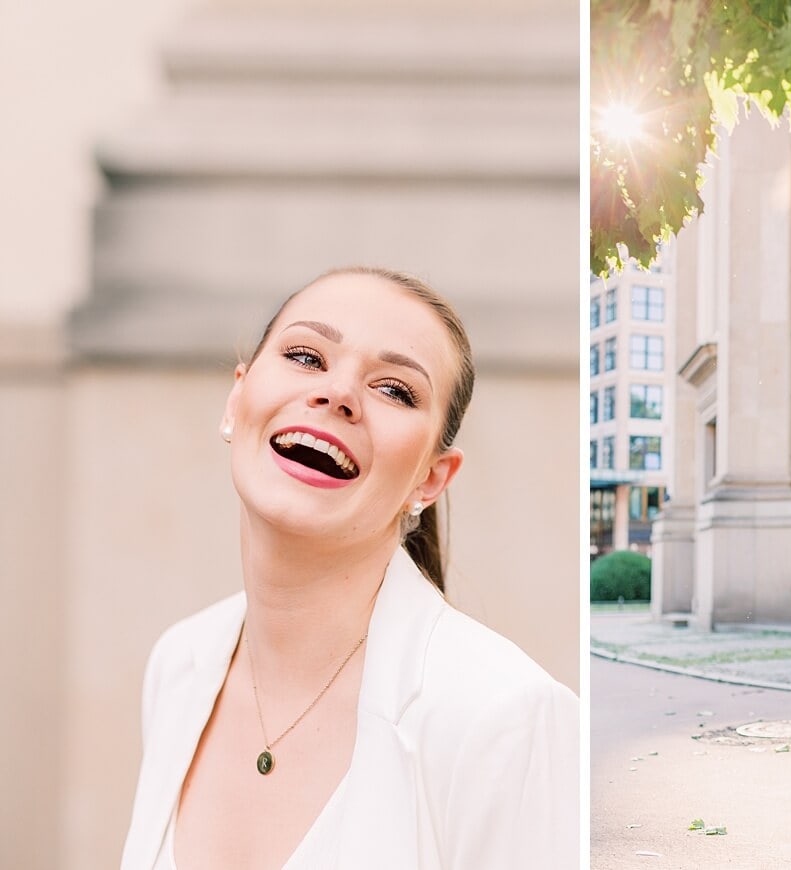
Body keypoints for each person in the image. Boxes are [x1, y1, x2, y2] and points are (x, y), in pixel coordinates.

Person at [120, 267, 579, 868]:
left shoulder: (507, 718)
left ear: (431, 479)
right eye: (307, 356)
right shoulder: (177, 665)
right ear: (237, 398)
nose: (338, 394)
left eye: (395, 390)